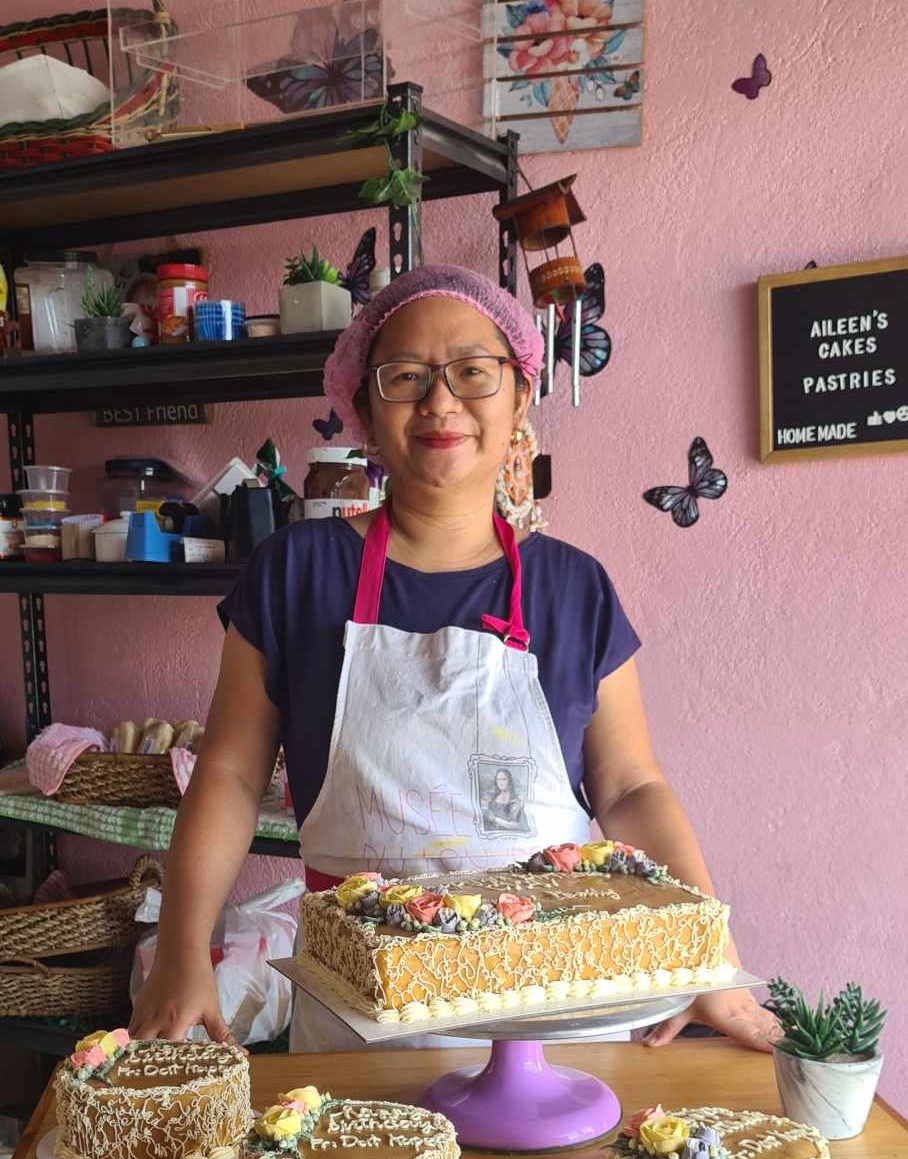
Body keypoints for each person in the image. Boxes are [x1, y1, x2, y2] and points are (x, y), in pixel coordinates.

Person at [129, 264, 780, 1055]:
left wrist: (709, 956)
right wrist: (180, 950)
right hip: (365, 1025)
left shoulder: (576, 588)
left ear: (519, 397)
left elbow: (632, 786)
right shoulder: (296, 572)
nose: (441, 402)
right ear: (363, 409)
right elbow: (228, 775)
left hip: (558, 1014)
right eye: (405, 377)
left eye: (473, 372)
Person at [482, 768, 529, 833]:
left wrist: (495, 819)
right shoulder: (492, 800)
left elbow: (518, 826)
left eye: (504, 779)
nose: (500, 783)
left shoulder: (516, 802)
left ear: (509, 781)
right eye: (498, 780)